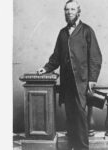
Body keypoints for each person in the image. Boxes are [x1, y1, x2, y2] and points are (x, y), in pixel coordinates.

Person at [37, 0, 102, 149]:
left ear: (78, 11)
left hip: (82, 82)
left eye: (72, 9)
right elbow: (56, 56)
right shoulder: (62, 33)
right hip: (67, 82)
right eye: (67, 10)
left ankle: (83, 148)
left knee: (80, 115)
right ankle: (73, 146)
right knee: (70, 115)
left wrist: (92, 79)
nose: (69, 12)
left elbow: (95, 57)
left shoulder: (87, 30)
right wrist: (46, 68)